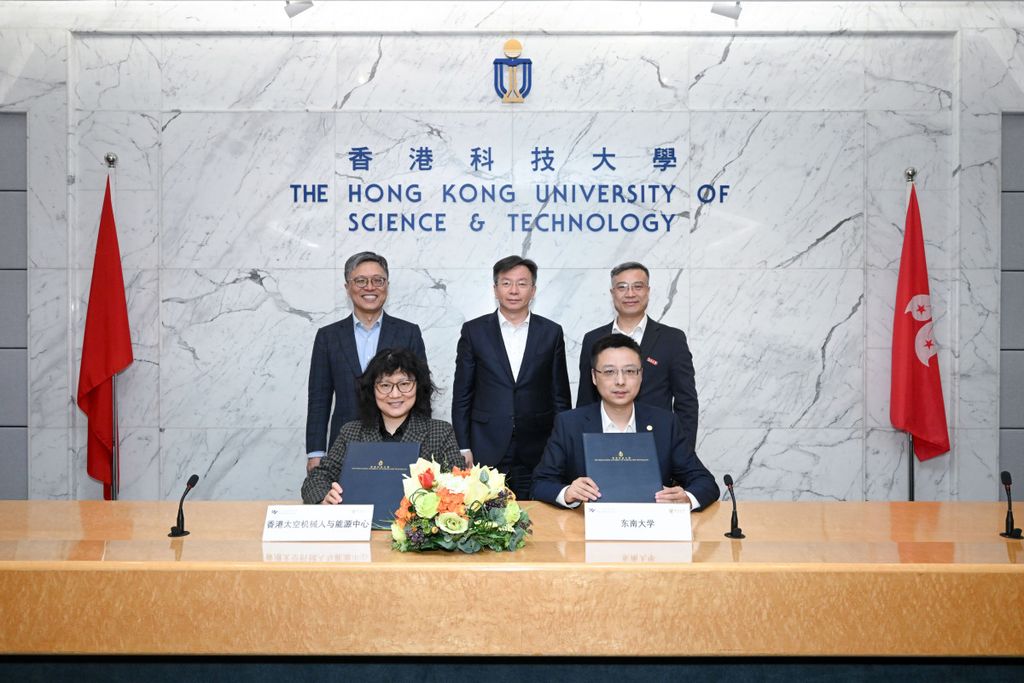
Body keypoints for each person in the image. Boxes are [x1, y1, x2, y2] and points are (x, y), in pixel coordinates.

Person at [532, 333, 718, 509]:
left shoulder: (665, 423)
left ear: (641, 375)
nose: (620, 381)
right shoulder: (569, 424)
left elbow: (705, 482)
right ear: (594, 377)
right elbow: (540, 483)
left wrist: (686, 498)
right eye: (609, 372)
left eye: (629, 371)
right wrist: (567, 493)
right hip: (587, 526)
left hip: (649, 526)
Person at [451, 255, 572, 500]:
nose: (514, 290)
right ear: (495, 289)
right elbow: (462, 393)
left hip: (537, 447)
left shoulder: (551, 332)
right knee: (486, 514)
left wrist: (561, 446)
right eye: (506, 283)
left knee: (537, 513)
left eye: (522, 283)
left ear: (533, 290)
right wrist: (463, 446)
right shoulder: (474, 331)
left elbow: (560, 395)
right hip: (486, 444)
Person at [305, 252, 426, 473]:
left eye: (378, 280)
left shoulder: (408, 332)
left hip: (399, 444)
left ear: (387, 286)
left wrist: (423, 448)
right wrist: (316, 453)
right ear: (347, 287)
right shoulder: (328, 336)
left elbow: (421, 393)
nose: (370, 287)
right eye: (361, 281)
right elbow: (319, 399)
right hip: (343, 446)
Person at [301, 348, 462, 504]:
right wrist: (324, 497)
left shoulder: (440, 432)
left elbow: (460, 482)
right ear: (372, 389)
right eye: (385, 385)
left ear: (418, 386)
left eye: (404, 384)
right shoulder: (351, 432)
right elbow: (316, 479)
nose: (395, 394)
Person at [576, 262, 698, 452]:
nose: (630, 294)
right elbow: (585, 400)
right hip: (603, 446)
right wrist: (582, 451)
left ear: (648, 291)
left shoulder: (672, 339)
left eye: (638, 286)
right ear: (612, 293)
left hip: (658, 445)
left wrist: (683, 453)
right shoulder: (593, 339)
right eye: (622, 287)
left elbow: (686, 402)